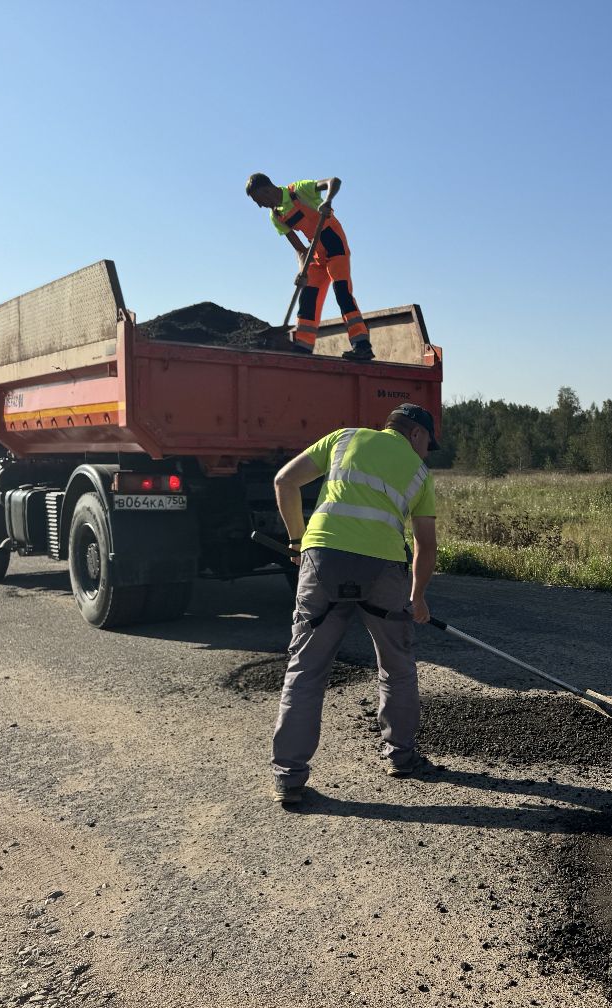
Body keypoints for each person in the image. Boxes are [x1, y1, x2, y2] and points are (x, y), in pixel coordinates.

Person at [269, 403, 441, 804]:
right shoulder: (419, 472)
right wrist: (417, 596)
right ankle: (401, 756)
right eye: (428, 444)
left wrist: (297, 540)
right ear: (415, 434)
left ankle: (289, 777)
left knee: (306, 669)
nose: (427, 452)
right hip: (383, 571)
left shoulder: (343, 439)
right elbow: (426, 545)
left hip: (323, 559)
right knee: (397, 667)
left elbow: (284, 481)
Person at [245, 172, 376, 362]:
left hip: (333, 242)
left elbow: (334, 181)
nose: (259, 205)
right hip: (316, 255)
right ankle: (303, 347)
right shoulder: (276, 216)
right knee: (308, 296)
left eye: (258, 200)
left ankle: (362, 345)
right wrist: (302, 271)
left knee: (342, 292)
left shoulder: (298, 190)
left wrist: (327, 201)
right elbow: (300, 249)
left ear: (265, 191)